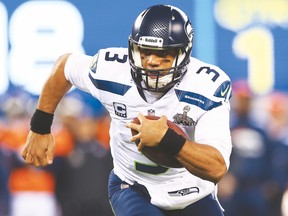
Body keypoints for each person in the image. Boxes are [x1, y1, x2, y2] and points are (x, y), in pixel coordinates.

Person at [21, 4, 232, 216]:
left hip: (193, 194)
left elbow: (217, 168)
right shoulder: (112, 70)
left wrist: (167, 139)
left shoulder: (206, 86)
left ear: (184, 53)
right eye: (145, 51)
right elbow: (64, 67)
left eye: (163, 54)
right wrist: (40, 126)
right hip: (134, 187)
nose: (151, 61)